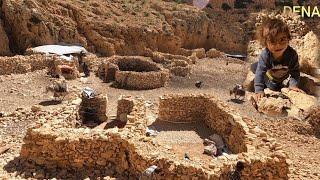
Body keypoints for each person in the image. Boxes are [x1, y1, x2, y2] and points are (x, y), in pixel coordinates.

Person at [252, 18, 304, 101]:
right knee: (258, 69)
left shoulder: (292, 55)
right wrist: (259, 90)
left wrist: (293, 85)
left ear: (288, 38)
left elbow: (295, 72)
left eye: (282, 39)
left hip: (281, 76)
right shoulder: (265, 55)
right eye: (272, 41)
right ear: (265, 44)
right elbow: (260, 73)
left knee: (277, 86)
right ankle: (255, 66)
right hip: (269, 76)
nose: (278, 44)